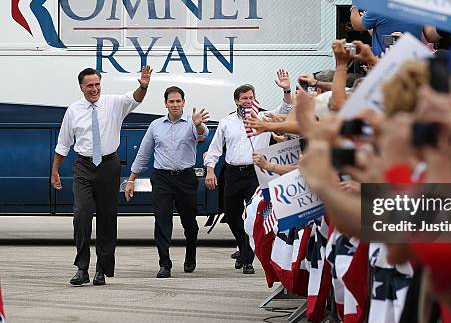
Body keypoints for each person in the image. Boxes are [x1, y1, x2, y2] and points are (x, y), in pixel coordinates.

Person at [51, 66, 151, 286]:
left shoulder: (113, 103)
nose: (94, 89)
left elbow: (135, 98)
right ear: (81, 87)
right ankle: (82, 268)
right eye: (90, 85)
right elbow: (63, 143)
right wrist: (55, 171)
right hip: (83, 166)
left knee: (107, 218)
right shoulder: (73, 110)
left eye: (97, 84)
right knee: (82, 215)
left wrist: (143, 85)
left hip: (108, 165)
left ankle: (101, 270)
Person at [204, 70, 293, 275]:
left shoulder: (264, 117)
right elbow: (216, 148)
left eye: (251, 98)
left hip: (256, 172)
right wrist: (210, 170)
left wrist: (286, 89)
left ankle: (247, 258)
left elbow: (287, 109)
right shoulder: (227, 122)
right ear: (236, 101)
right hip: (233, 172)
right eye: (244, 98)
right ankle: (243, 246)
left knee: (253, 215)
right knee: (232, 215)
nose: (247, 101)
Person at [124, 86, 209, 278]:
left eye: (179, 101)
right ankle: (164, 263)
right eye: (172, 101)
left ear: (184, 102)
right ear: (165, 104)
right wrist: (131, 180)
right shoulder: (155, 125)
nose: (175, 104)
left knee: (190, 223)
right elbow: (144, 153)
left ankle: (191, 254)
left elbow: (203, 135)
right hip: (162, 178)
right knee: (162, 220)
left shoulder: (191, 123)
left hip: (185, 178)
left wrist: (198, 125)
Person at [350, 7, 423, 57]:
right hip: (413, 63)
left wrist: (354, 6)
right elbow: (431, 37)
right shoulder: (419, 8)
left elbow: (357, 25)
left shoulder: (379, 7)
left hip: (385, 67)